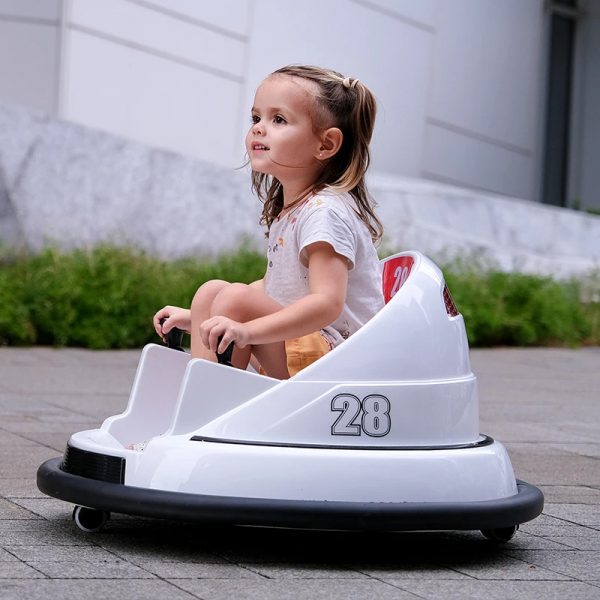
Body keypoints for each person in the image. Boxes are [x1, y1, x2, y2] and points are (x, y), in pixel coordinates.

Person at [153, 64, 384, 379]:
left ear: (326, 144)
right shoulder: (293, 208)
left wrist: (247, 331)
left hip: (340, 363)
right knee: (212, 292)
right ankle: (206, 402)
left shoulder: (324, 213)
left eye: (279, 119)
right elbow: (277, 290)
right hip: (311, 348)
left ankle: (216, 407)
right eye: (256, 118)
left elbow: (327, 303)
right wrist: (198, 317)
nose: (259, 128)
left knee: (237, 298)